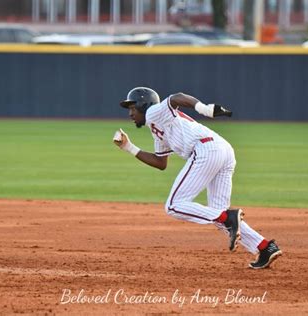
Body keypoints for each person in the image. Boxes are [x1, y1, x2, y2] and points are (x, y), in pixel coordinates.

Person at [113, 87, 282, 269]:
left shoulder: (154, 112)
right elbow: (160, 162)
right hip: (222, 150)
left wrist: (205, 109)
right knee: (219, 215)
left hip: (206, 150)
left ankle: (229, 217)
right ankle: (265, 247)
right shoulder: (157, 127)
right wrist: (128, 147)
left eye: (132, 108)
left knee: (174, 205)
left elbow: (177, 97)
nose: (130, 113)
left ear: (143, 104)